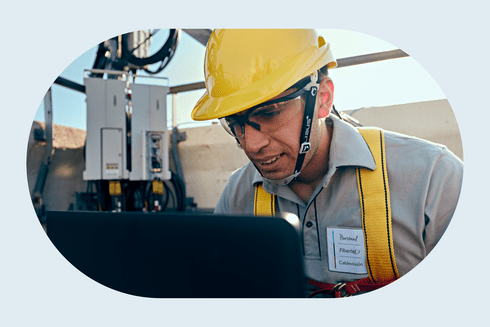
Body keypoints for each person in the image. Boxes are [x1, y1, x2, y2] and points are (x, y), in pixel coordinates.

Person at [191, 29, 463, 297]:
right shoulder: (237, 196)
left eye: (270, 113)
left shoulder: (433, 179)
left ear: (323, 99)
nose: (251, 144)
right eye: (236, 124)